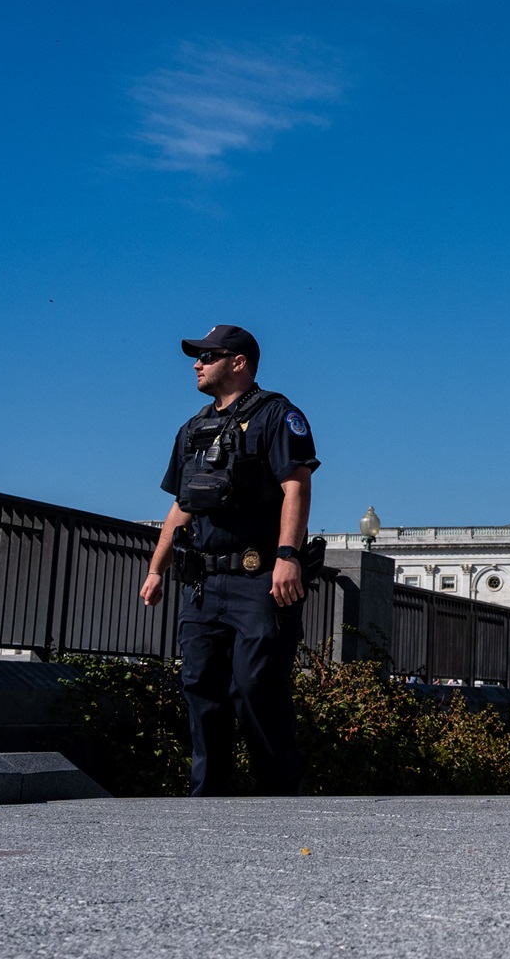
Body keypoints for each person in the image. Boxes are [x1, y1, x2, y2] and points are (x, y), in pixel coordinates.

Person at [139, 324, 318, 795]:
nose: (196, 364)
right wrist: (157, 569)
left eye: (207, 356)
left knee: (255, 684)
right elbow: (181, 506)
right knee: (200, 685)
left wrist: (288, 556)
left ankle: (279, 795)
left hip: (259, 578)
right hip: (202, 583)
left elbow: (295, 485)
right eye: (197, 357)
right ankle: (208, 798)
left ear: (238, 362)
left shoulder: (277, 415)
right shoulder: (193, 429)